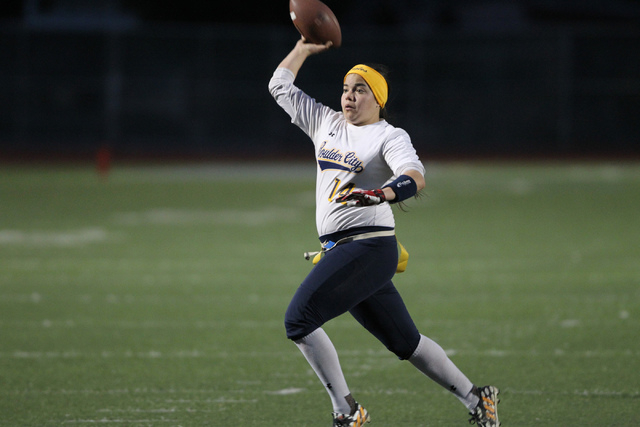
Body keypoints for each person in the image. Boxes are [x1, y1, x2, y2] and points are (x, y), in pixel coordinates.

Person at [268, 38, 500, 427]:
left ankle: (348, 411)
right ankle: (477, 398)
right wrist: (304, 47)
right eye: (345, 88)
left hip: (370, 248)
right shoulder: (326, 122)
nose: (349, 96)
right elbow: (279, 85)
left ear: (377, 98)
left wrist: (382, 192)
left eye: (360, 90)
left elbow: (415, 176)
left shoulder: (388, 136)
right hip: (346, 250)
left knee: (298, 320)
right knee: (405, 342)